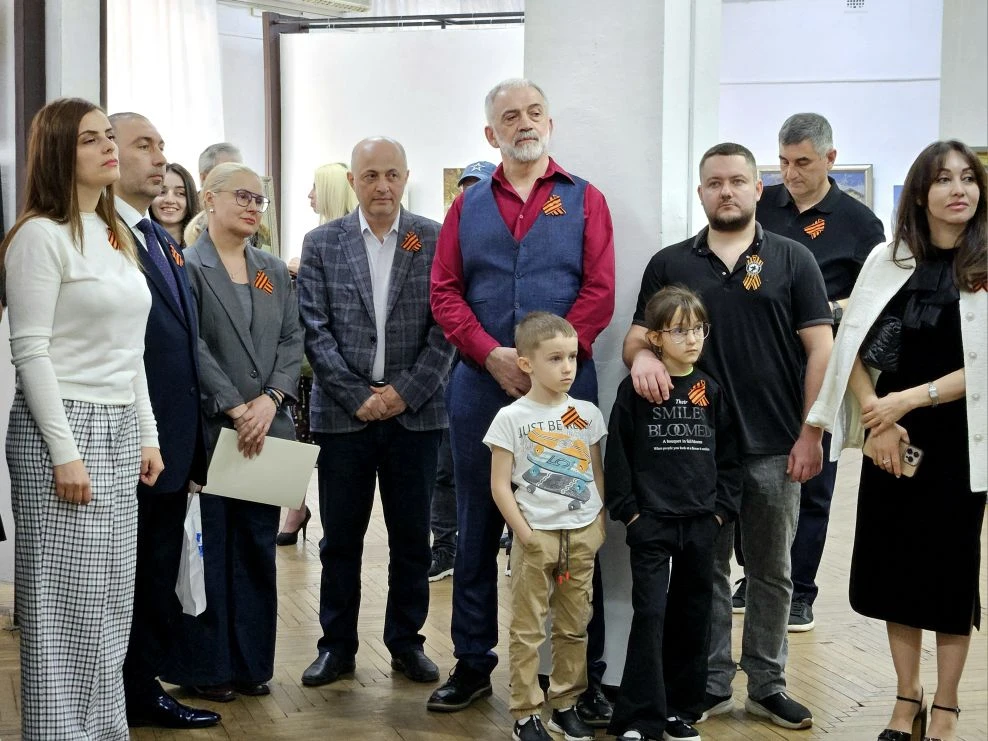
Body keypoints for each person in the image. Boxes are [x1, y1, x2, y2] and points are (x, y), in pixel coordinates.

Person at [623, 142, 833, 731]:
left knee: (772, 570)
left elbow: (821, 350)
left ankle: (768, 683)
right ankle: (710, 681)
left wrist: (811, 432)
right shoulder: (669, 263)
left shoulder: (794, 258)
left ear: (757, 188)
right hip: (696, 452)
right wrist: (644, 358)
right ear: (701, 193)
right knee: (705, 572)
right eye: (715, 183)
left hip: (775, 443)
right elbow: (636, 338)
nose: (726, 191)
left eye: (738, 181)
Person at [429, 79, 615, 725]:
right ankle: (472, 662)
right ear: (492, 133)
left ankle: (578, 676)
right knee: (476, 523)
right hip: (481, 387)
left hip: (565, 395)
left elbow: (599, 291)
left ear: (550, 123)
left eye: (534, 112)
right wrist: (491, 355)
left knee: (570, 527)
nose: (524, 123)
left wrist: (548, 367)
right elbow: (445, 291)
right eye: (510, 116)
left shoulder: (585, 199)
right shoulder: (467, 205)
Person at [807, 140, 986, 741]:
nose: (958, 190)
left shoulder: (986, 263)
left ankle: (947, 706)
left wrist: (908, 401)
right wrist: (877, 419)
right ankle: (906, 699)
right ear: (920, 192)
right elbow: (853, 344)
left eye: (968, 178)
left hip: (960, 439)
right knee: (895, 571)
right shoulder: (888, 260)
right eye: (944, 179)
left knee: (950, 573)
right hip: (891, 437)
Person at [2, 97, 164, 739]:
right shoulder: (39, 236)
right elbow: (30, 352)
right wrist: (64, 453)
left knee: (110, 603)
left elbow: (132, 350)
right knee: (62, 609)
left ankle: (103, 730)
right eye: (90, 139)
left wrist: (147, 433)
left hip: (119, 424)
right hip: (62, 425)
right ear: (57, 153)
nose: (108, 147)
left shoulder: (114, 233)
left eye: (108, 136)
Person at [297, 137, 455, 688]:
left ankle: (407, 643)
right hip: (345, 418)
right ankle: (336, 647)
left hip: (416, 414)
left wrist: (403, 392)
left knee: (412, 539)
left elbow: (446, 327)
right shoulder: (322, 243)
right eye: (370, 175)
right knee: (340, 539)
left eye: (391, 174)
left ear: (405, 177)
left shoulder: (434, 238)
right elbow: (313, 329)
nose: (382, 185)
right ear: (353, 181)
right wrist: (357, 394)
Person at [731, 113, 886, 632]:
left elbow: (877, 299)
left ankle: (799, 590)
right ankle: (755, 576)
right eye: (783, 162)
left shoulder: (860, 224)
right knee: (755, 475)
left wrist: (824, 310)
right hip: (759, 364)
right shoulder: (762, 206)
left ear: (830, 159)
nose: (791, 174)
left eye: (802, 162)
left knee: (812, 481)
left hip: (826, 366)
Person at [162, 162, 303, 701]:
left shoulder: (271, 269)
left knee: (256, 550)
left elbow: (291, 339)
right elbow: (190, 344)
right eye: (241, 196)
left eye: (258, 199)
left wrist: (270, 400)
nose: (251, 206)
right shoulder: (186, 265)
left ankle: (250, 664)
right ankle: (207, 667)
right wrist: (236, 406)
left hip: (268, 429)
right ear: (209, 199)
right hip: (212, 430)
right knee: (210, 551)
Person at [108, 111, 218, 729]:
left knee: (154, 574)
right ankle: (122, 692)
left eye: (162, 146)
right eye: (143, 146)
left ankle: (141, 688)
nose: (158, 158)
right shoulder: (102, 236)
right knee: (125, 580)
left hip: (171, 441)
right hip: (128, 439)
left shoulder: (161, 239)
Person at [607, 286, 742, 741]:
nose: (692, 338)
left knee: (692, 615)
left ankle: (677, 710)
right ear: (655, 339)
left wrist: (719, 514)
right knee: (650, 614)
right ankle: (638, 717)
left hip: (700, 525)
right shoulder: (635, 391)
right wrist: (630, 514)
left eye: (699, 328)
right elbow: (618, 455)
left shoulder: (711, 389)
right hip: (651, 523)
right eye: (680, 331)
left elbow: (729, 458)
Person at [483, 312, 605, 741]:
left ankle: (565, 704)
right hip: (536, 536)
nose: (567, 367)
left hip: (582, 534)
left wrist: (599, 522)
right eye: (555, 358)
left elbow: (595, 471)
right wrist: (525, 534)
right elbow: (499, 485)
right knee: (528, 629)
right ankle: (525, 712)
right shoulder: (511, 418)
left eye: (572, 357)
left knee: (574, 626)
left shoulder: (586, 413)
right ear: (526, 363)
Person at [278, 161, 359, 546]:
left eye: (315, 186)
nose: (310, 194)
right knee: (297, 446)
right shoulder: (318, 238)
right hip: (308, 366)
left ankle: (308, 514)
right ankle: (296, 508)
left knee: (323, 451)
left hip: (328, 369)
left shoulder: (344, 242)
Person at [428, 159, 497, 583]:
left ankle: (513, 542)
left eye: (478, 188)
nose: (469, 196)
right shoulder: (448, 241)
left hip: (497, 370)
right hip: (451, 374)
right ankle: (446, 546)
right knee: (445, 469)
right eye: (464, 189)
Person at [183, 142, 245, 246]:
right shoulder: (185, 208)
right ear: (204, 178)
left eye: (241, 171)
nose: (237, 178)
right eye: (226, 172)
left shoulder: (249, 209)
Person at [151, 162, 201, 247]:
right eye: (162, 192)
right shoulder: (136, 241)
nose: (170, 200)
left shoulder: (204, 243)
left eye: (180, 193)